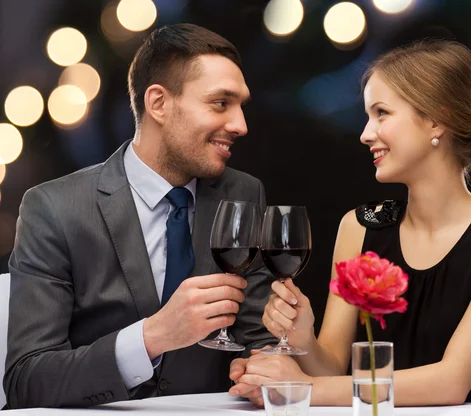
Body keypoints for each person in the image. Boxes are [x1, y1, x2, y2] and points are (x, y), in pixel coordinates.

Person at [231, 39, 471, 407]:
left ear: (436, 119)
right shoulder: (360, 227)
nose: (365, 133)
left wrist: (301, 389)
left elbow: (450, 383)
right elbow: (331, 368)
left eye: (381, 113)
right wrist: (303, 340)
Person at [4, 23, 276, 409]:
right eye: (220, 103)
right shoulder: (54, 208)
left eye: (240, 106)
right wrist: (152, 337)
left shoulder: (244, 194)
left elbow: (258, 336)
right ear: (158, 104)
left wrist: (266, 361)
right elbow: (26, 380)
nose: (240, 125)